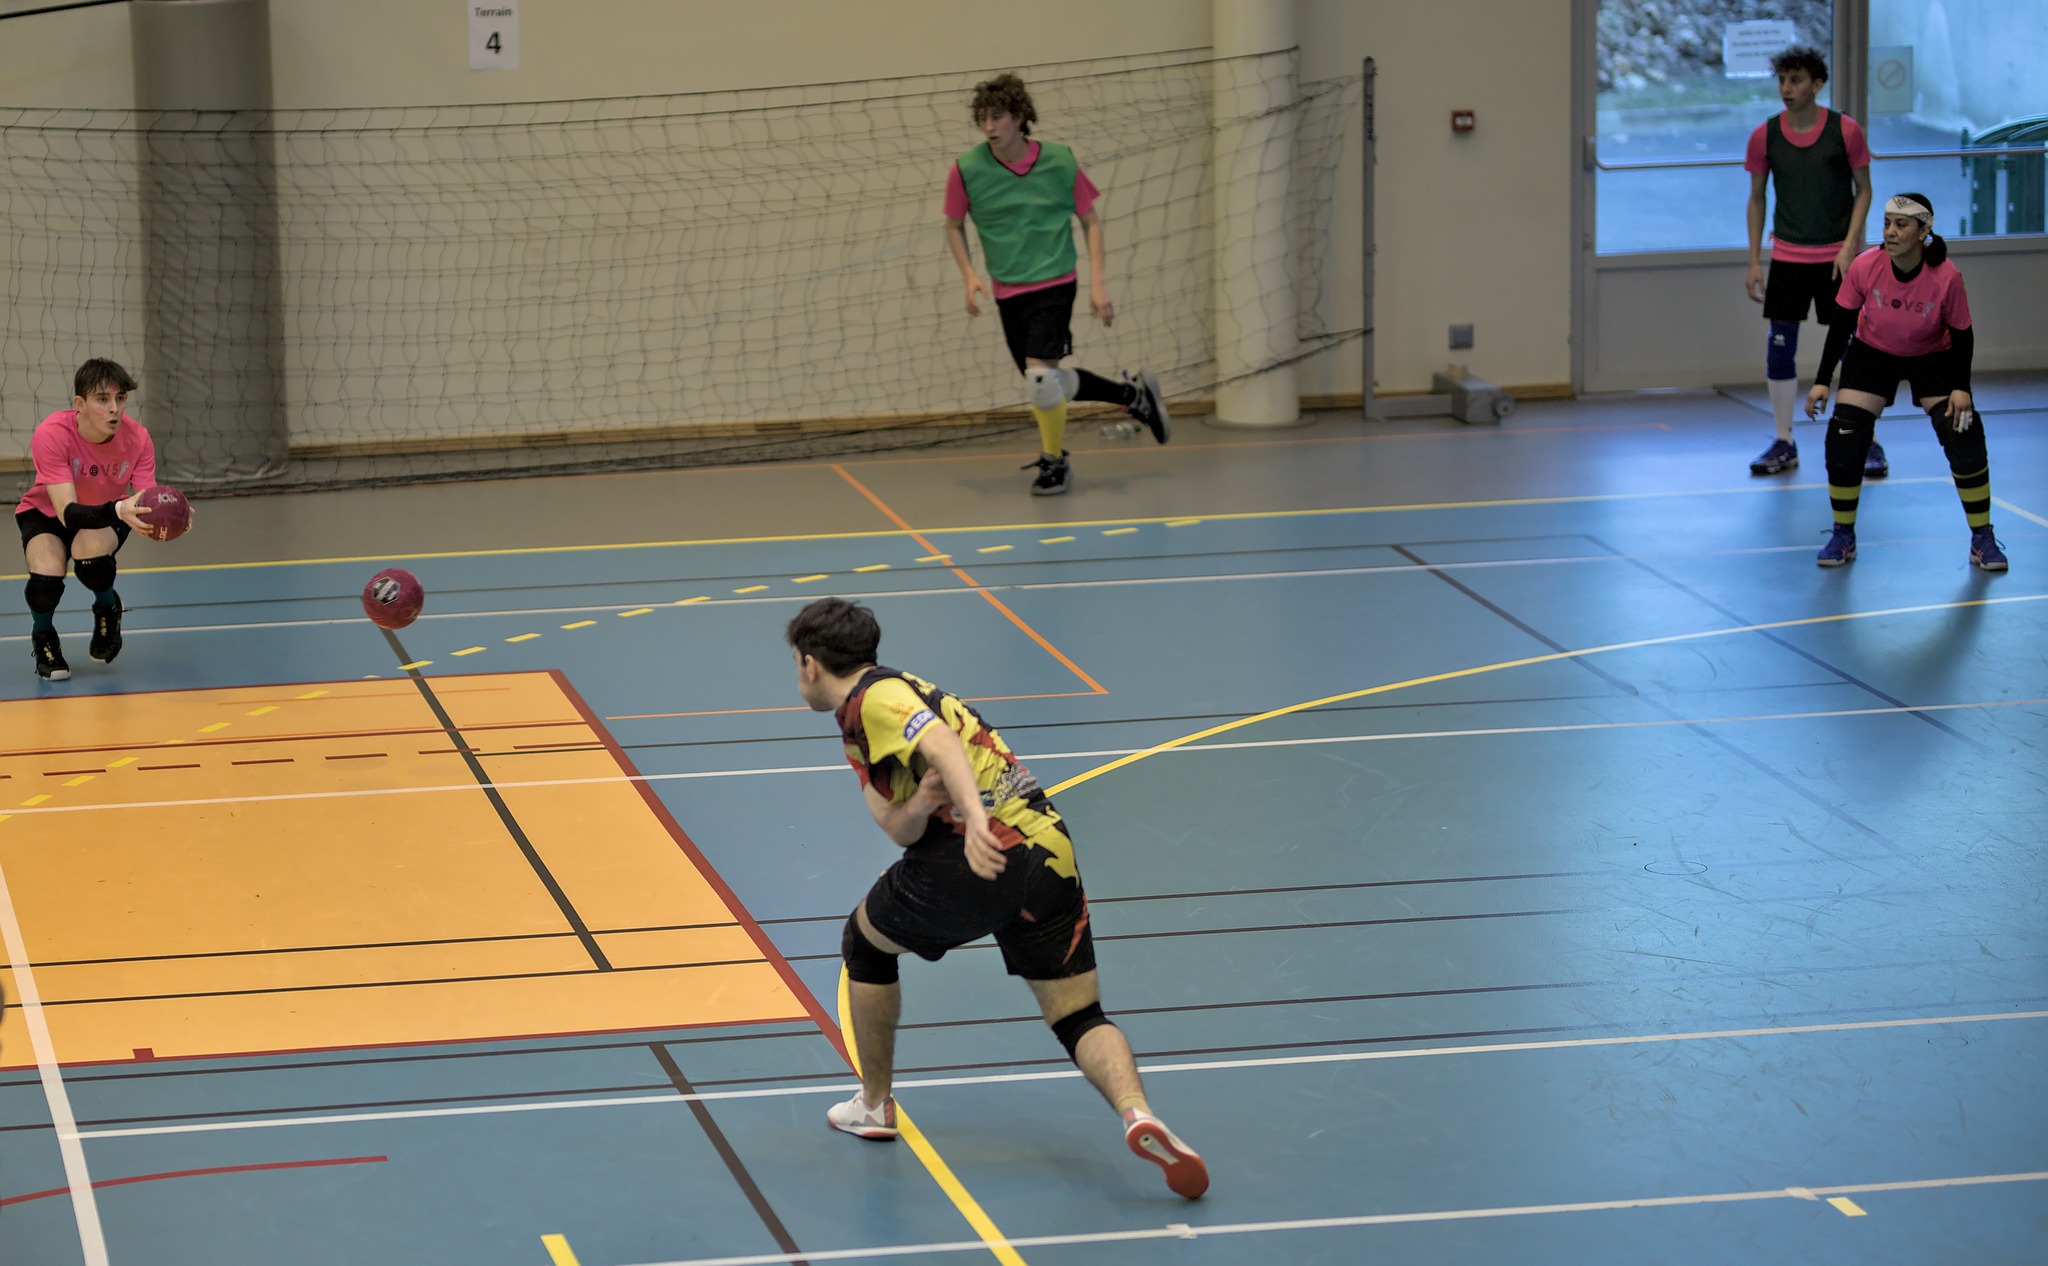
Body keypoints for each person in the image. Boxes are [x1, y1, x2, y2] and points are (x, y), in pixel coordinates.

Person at [787, 597, 1208, 1199]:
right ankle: (1136, 1112)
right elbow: (897, 826)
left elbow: (943, 744)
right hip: (1048, 850)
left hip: (979, 856)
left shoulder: (876, 697)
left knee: (865, 943)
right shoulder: (870, 720)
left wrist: (976, 819)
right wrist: (924, 802)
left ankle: (874, 1105)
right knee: (1078, 1016)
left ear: (808, 663)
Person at [944, 72, 1169, 496]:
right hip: (1007, 290)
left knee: (1041, 382)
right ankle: (1133, 396)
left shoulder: (1060, 162)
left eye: (998, 117)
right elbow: (953, 225)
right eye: (983, 119)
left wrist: (1098, 285)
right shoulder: (966, 170)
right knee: (1047, 383)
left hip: (1055, 283)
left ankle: (1054, 462)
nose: (989, 127)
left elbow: (1090, 221)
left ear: (1019, 116)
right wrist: (969, 274)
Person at [1805, 193, 2004, 571]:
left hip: (1933, 356)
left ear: (1924, 231)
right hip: (1873, 353)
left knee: (1963, 431)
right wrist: (1821, 381)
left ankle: (1982, 538)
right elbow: (1841, 324)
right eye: (1886, 224)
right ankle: (1843, 534)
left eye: (1901, 225)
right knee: (1845, 433)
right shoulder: (1866, 266)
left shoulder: (1946, 277)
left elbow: (1962, 335)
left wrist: (1962, 387)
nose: (1890, 232)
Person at [1743, 46, 1880, 479]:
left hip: (1838, 260)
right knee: (1780, 345)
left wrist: (1850, 245)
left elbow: (1864, 190)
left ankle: (1864, 438)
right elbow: (1757, 198)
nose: (1787, 88)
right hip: (1788, 258)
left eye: (1797, 80)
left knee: (1854, 348)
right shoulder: (1764, 136)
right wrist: (1754, 260)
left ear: (1817, 85)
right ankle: (1784, 441)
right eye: (1782, 80)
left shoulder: (1846, 131)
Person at [17, 359, 162, 680]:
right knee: (45, 578)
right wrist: (118, 510)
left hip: (107, 511)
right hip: (49, 513)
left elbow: (146, 499)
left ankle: (107, 606)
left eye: (120, 398)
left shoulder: (138, 438)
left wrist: (169, 514)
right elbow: (68, 513)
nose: (114, 409)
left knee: (91, 557)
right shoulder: (52, 434)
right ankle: (43, 635)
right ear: (80, 404)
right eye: (102, 399)